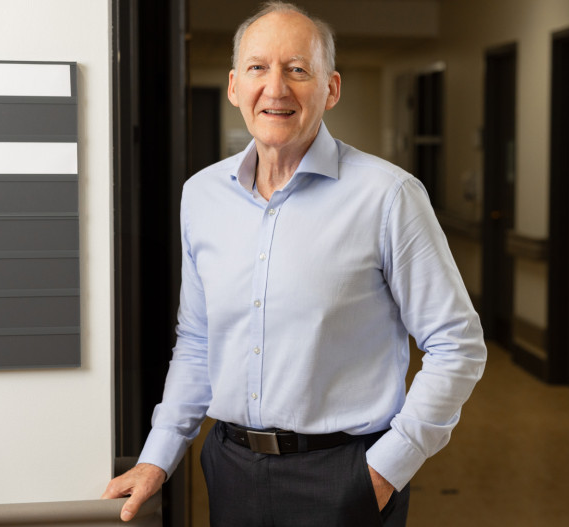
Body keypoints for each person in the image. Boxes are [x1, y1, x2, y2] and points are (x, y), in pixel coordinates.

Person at [101, 2, 486, 525]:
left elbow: (455, 344)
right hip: (231, 467)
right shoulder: (202, 196)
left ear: (330, 88)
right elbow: (197, 341)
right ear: (236, 85)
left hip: (346, 474)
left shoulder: (388, 196)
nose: (276, 87)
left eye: (297, 69)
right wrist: (157, 456)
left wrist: (388, 468)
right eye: (259, 67)